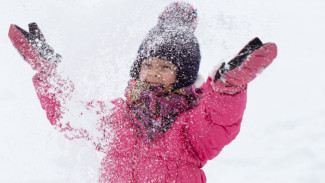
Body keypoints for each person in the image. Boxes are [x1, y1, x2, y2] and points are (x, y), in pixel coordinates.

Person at [8, 2, 277, 183]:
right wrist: (49, 73)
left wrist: (227, 86)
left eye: (165, 66)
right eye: (147, 65)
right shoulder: (118, 116)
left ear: (182, 76)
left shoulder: (189, 125)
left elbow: (218, 119)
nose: (153, 72)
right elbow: (71, 116)